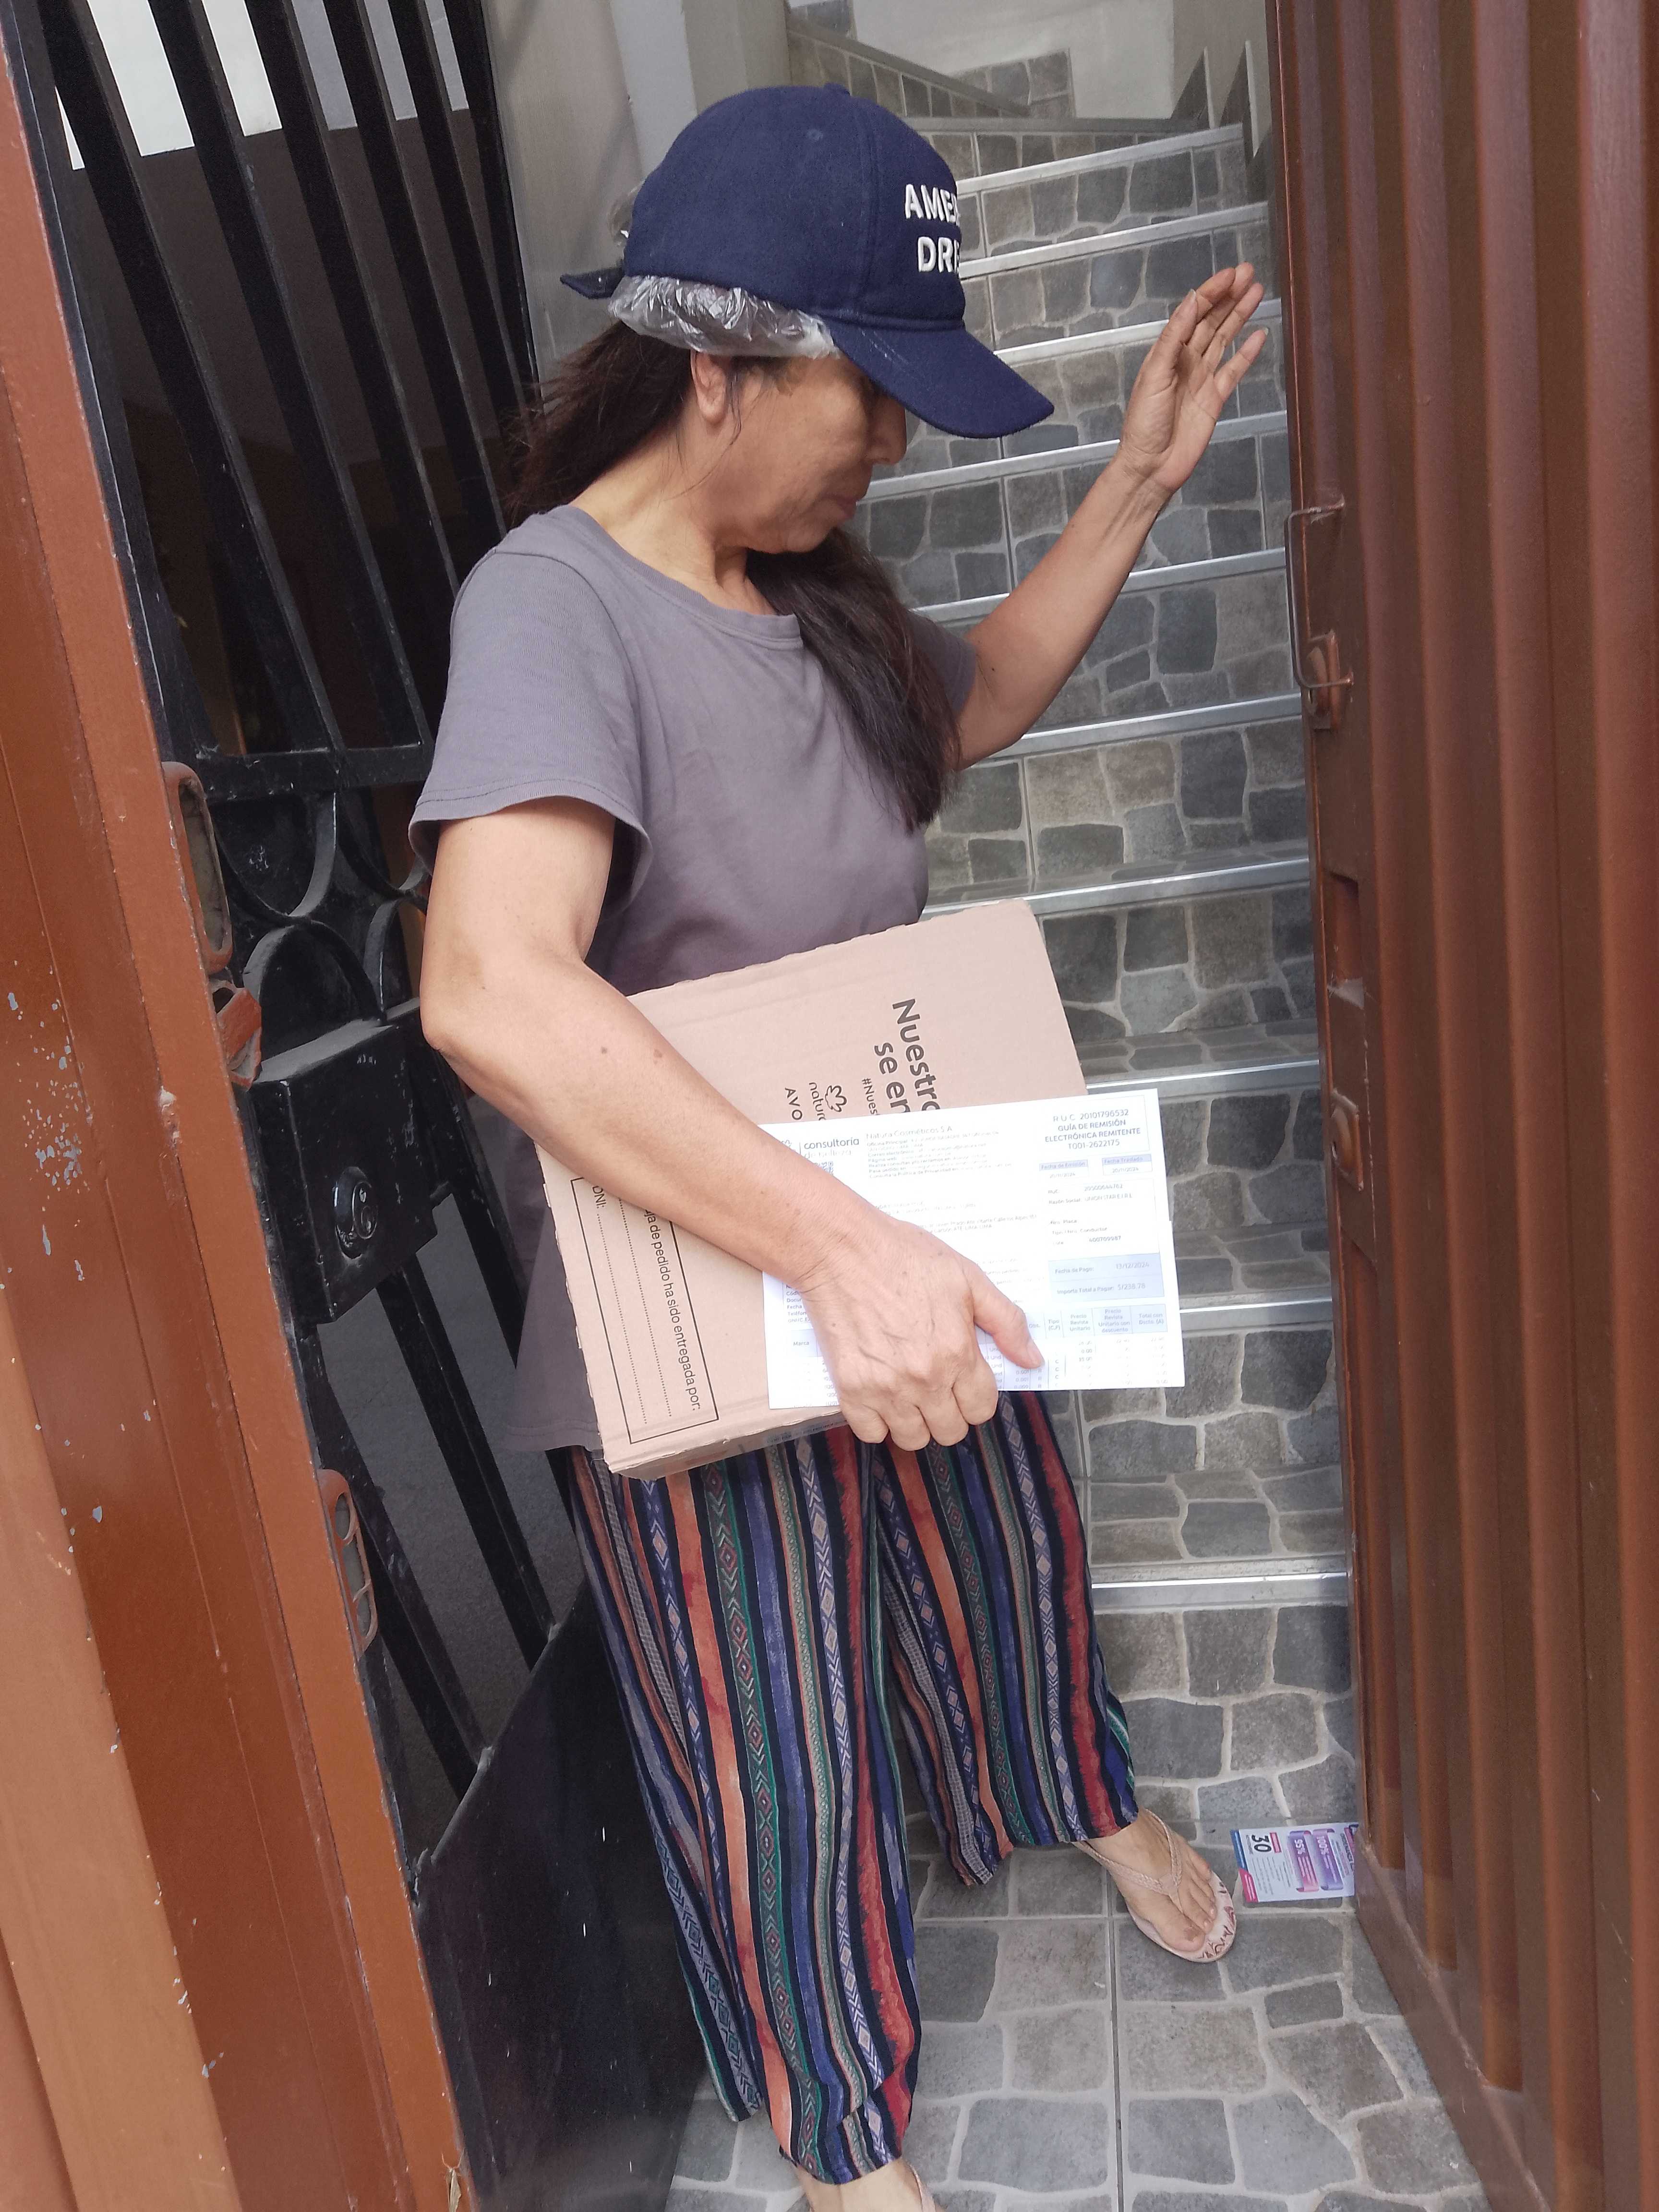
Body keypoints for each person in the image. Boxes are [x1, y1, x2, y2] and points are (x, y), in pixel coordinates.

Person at [415, 84, 1266, 2212]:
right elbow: (491, 985)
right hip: (707, 1280)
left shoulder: (809, 593)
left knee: (1004, 1542)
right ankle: (840, 2131)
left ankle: (1070, 1790)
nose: (889, 441)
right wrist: (837, 1256)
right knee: (773, 1736)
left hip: (902, 1197)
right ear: (713, 366)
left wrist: (1144, 479)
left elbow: (972, 705)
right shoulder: (553, 606)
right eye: (865, 392)